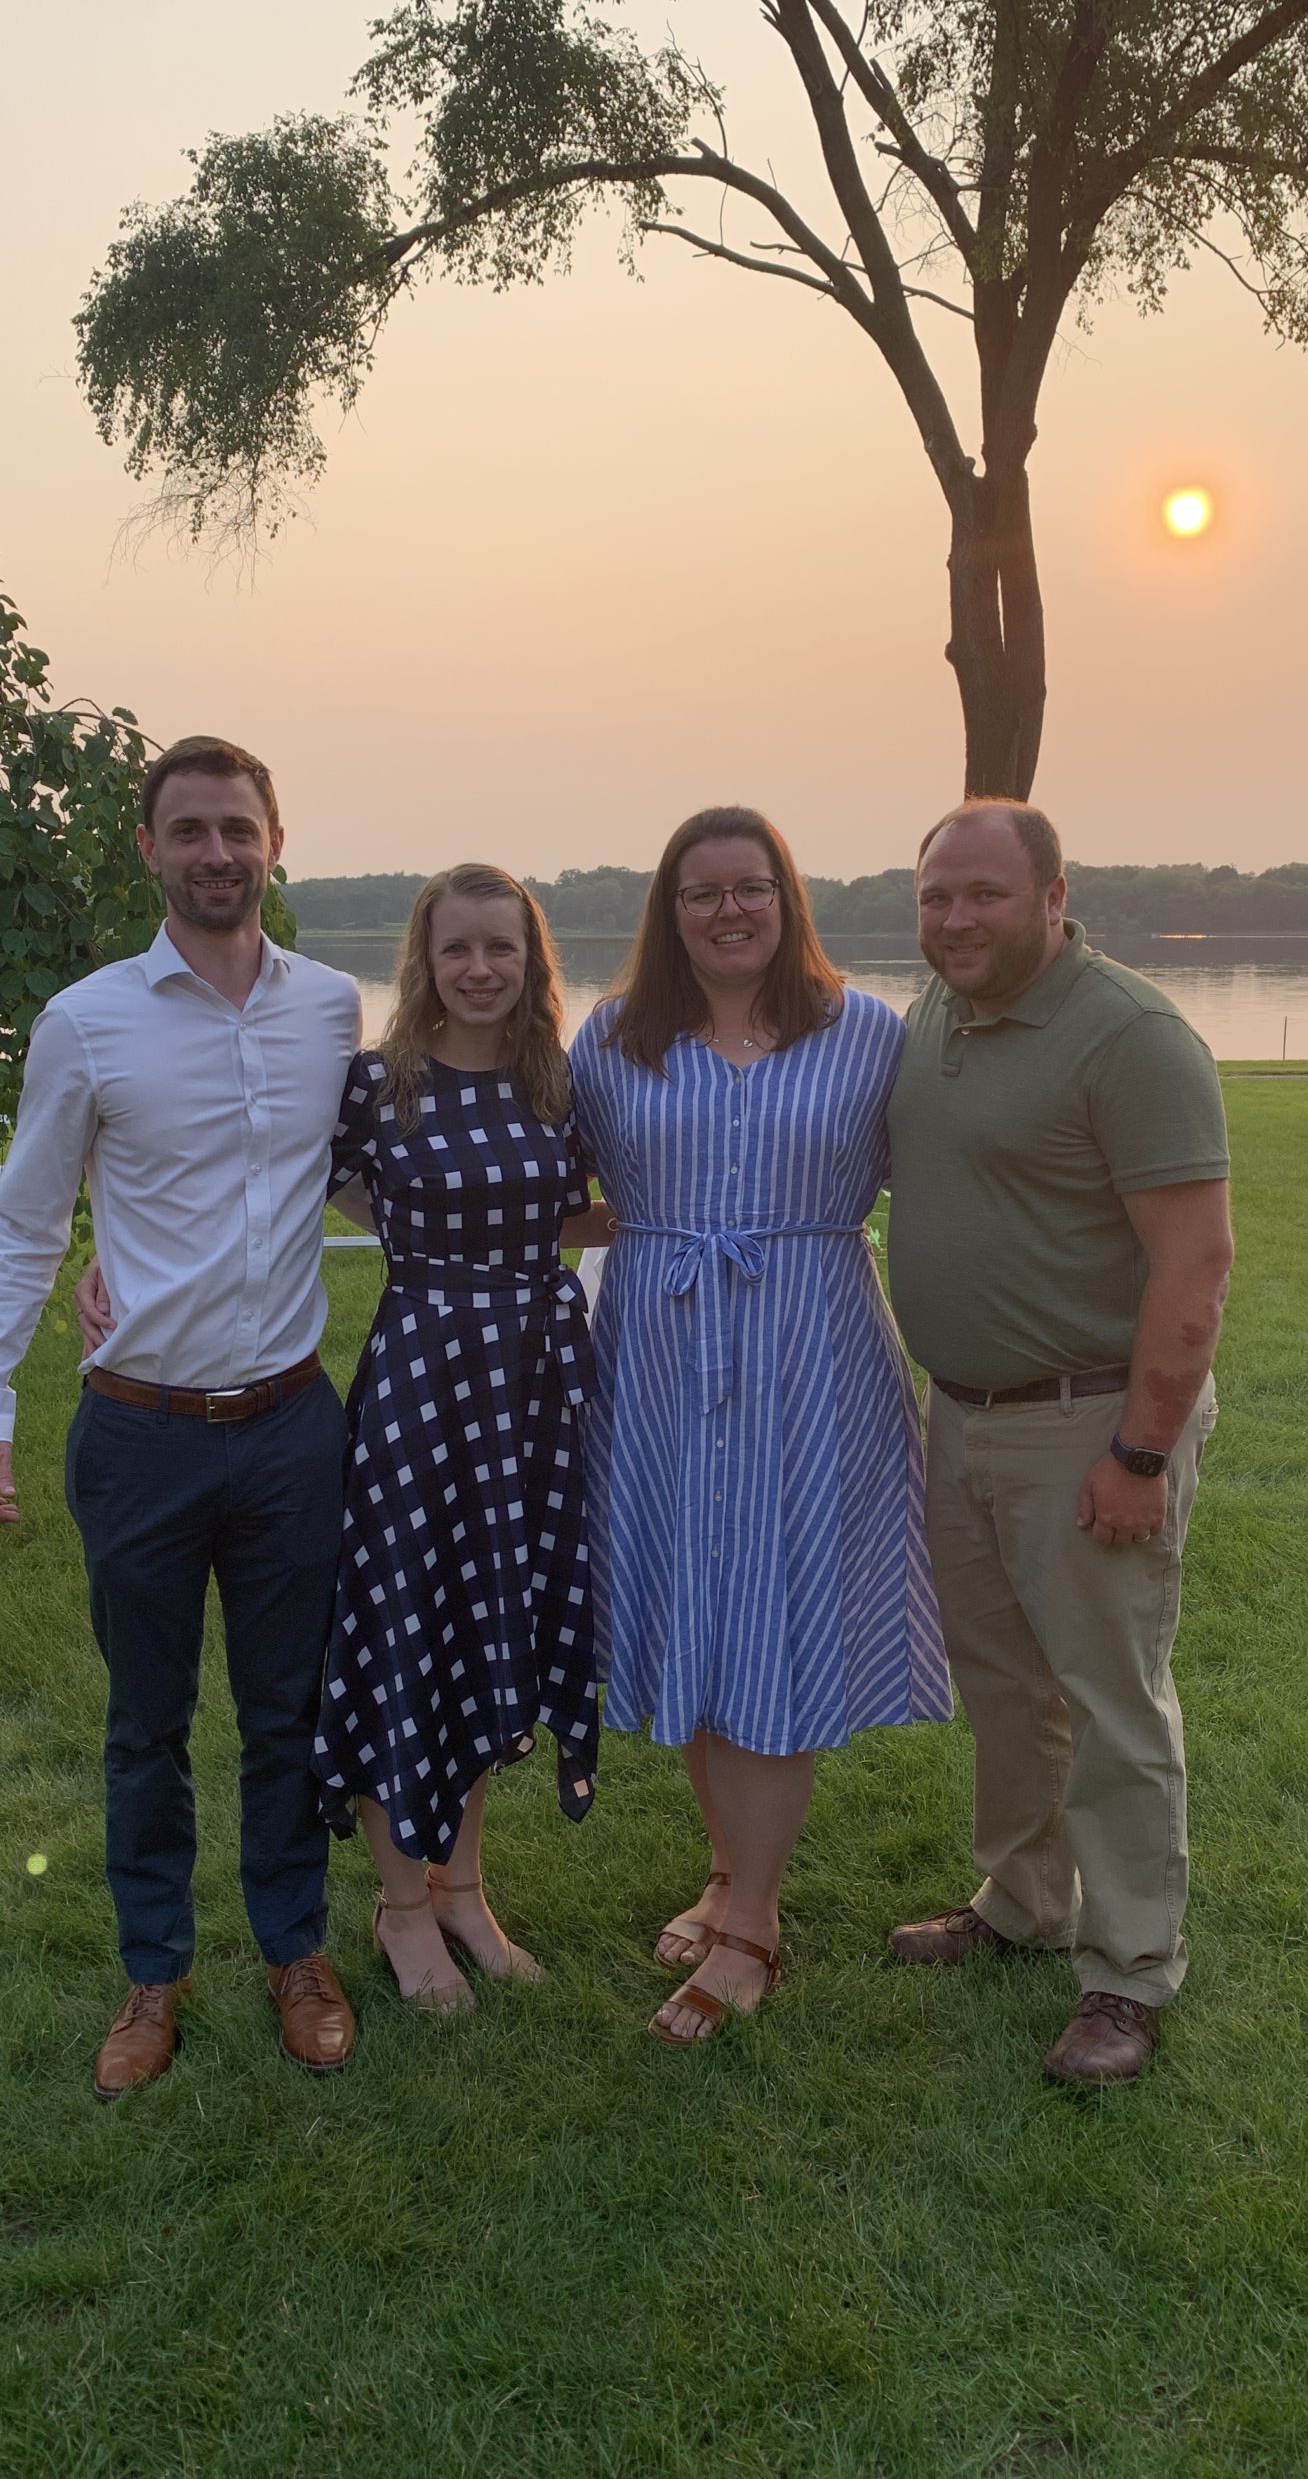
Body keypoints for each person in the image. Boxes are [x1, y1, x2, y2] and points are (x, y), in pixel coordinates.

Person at [0, 734, 361, 2098]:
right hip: (140, 1432)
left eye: (238, 827)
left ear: (276, 839)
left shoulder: (331, 1010)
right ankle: (153, 1972)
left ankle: (296, 1951)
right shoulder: (86, 1021)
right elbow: (27, 1217)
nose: (217, 852)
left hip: (293, 1427)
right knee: (146, 1721)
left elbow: (360, 1175)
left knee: (288, 1711)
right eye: (189, 830)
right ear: (148, 849)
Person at [571, 806, 952, 2046]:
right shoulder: (610, 1041)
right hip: (659, 1364)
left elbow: (954, 1177)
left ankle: (753, 1931)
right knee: (697, 1606)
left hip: (811, 1359)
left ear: (788, 900)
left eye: (751, 887)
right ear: (670, 911)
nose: (728, 910)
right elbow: (540, 1185)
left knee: (773, 1617)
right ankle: (729, 1873)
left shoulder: (869, 1034)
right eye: (703, 892)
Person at [884, 800, 1233, 2087]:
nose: (956, 918)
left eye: (983, 894)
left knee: (1109, 1697)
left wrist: (1139, 1454)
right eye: (936, 897)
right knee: (1003, 1683)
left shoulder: (1131, 1035)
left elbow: (1194, 1261)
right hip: (962, 1412)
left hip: (1089, 1419)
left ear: (1052, 896)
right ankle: (1026, 1898)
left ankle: (1129, 1971)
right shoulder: (938, 1013)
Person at [317, 865, 607, 2011]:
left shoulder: (559, 1084)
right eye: (458, 950)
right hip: (422, 1381)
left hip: (533, 1380)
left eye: (502, 948)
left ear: (533, 961)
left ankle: (463, 1891)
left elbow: (577, 1211)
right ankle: (400, 1907)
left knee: (491, 1622)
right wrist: (422, 1245)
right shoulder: (376, 1083)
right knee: (405, 1624)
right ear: (423, 962)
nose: (481, 969)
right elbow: (319, 1185)